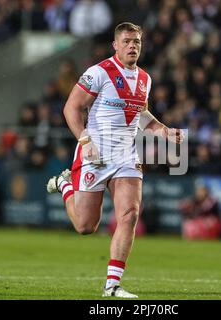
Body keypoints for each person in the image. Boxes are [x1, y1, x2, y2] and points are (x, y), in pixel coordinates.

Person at [46, 22, 184, 298]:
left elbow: (141, 115)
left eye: (137, 42)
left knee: (130, 214)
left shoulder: (145, 78)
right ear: (115, 45)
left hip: (126, 155)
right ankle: (65, 184)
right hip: (95, 152)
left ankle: (112, 285)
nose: (133, 46)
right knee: (86, 227)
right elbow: (71, 107)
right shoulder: (98, 72)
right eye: (127, 41)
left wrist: (163, 130)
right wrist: (85, 141)